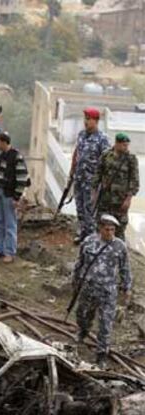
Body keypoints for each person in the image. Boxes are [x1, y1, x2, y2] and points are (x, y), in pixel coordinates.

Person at [73, 214, 132, 368]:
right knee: (82, 314)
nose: (110, 233)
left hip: (108, 292)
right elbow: (80, 262)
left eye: (113, 230)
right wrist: (75, 280)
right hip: (89, 288)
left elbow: (125, 269)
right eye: (107, 229)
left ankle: (101, 354)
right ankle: (83, 331)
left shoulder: (120, 246)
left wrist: (127, 288)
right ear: (100, 228)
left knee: (105, 324)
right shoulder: (89, 242)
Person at [0, 132, 29, 264]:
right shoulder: (1, 155)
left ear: (4, 142)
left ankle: (10, 252)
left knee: (10, 223)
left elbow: (22, 178)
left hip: (9, 194)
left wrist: (16, 197)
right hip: (0, 191)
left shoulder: (16, 157)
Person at [68, 107, 110, 244]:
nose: (85, 122)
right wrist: (72, 170)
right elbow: (77, 152)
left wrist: (102, 182)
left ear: (96, 121)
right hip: (79, 178)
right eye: (85, 119)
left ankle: (91, 239)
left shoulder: (102, 139)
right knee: (79, 207)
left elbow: (106, 161)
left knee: (90, 210)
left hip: (92, 182)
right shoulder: (81, 135)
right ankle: (83, 233)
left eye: (88, 119)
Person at [92, 132, 140, 240]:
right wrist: (94, 193)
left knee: (119, 228)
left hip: (120, 201)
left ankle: (119, 252)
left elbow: (134, 181)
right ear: (117, 143)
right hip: (105, 199)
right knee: (102, 225)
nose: (126, 147)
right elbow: (98, 174)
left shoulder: (131, 159)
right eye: (124, 145)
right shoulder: (106, 155)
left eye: (127, 145)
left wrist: (128, 199)